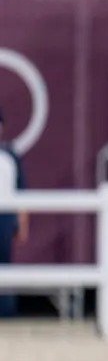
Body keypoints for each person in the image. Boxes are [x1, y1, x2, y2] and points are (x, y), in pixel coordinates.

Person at [0, 108, 28, 317]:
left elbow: (21, 192)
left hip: (5, 218)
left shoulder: (10, 157)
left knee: (5, 263)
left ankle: (6, 312)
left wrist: (22, 224)